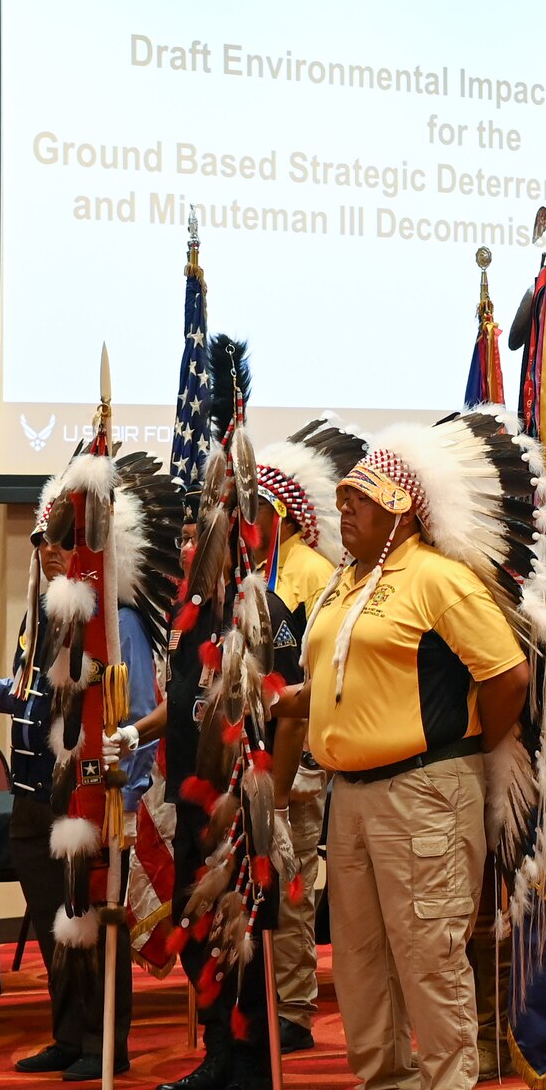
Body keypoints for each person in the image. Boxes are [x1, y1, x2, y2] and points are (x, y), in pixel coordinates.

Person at [288, 427, 535, 1090]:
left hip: (424, 789)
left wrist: (476, 750)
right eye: (340, 501)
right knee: (360, 954)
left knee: (429, 948)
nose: (345, 513)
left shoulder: (438, 578)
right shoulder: (344, 581)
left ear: (401, 507)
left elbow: (507, 675)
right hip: (353, 793)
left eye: (358, 500)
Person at [0, 453, 176, 1083]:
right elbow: (27, 694)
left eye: (64, 541)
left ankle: (105, 1044)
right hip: (31, 798)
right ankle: (69, 1037)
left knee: (96, 928)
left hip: (88, 803)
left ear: (94, 553)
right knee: (54, 925)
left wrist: (124, 800)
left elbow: (143, 720)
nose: (49, 550)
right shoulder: (42, 616)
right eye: (43, 538)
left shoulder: (116, 623)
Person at [125, 347, 307, 1090]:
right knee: (200, 931)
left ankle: (255, 1071)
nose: (200, 538)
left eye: (216, 522)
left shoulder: (261, 611)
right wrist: (137, 730)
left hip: (244, 801)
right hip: (189, 796)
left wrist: (279, 792)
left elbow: (288, 704)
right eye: (198, 525)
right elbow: (188, 699)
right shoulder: (191, 614)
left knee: (246, 940)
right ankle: (216, 1056)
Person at [252, 418, 367, 1057]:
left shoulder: (308, 573)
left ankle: (293, 1008)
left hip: (298, 758)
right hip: (260, 754)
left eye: (258, 509)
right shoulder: (261, 571)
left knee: (292, 882)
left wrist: (294, 771)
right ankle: (271, 998)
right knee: (266, 879)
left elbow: (310, 677)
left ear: (282, 513)